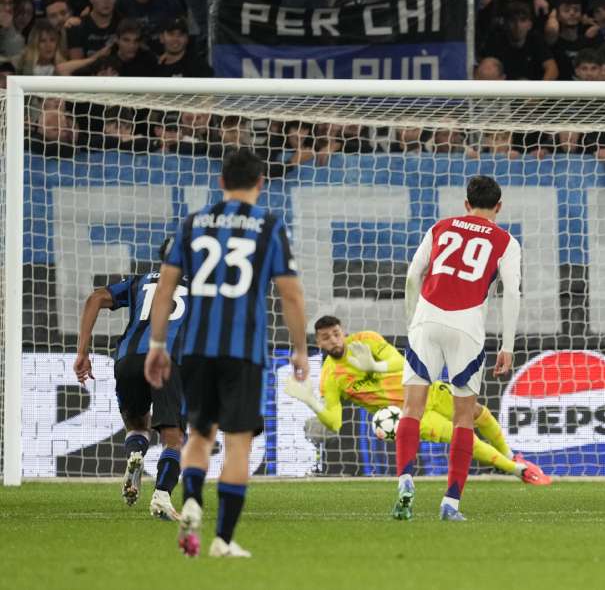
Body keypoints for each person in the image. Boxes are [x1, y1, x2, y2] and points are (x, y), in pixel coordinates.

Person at [145, 148, 309, 557]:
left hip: (197, 349)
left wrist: (158, 344)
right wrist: (301, 349)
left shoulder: (193, 223)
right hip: (244, 351)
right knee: (238, 444)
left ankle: (193, 498)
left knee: (199, 436)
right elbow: (290, 294)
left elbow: (164, 289)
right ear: (261, 183)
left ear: (220, 183)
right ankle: (223, 539)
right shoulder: (268, 225)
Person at [283, 316, 549, 485]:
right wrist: (310, 400)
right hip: (411, 415)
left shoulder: (366, 340)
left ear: (343, 331)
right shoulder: (331, 376)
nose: (333, 339)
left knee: (480, 413)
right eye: (326, 337)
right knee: (464, 437)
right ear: (319, 342)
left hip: (427, 389)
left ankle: (513, 455)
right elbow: (335, 422)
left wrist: (375, 366)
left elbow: (401, 362)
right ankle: (520, 472)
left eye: (336, 333)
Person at [395, 175, 522, 522]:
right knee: (464, 416)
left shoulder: (441, 227)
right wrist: (507, 346)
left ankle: (405, 480)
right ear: (499, 207)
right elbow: (512, 293)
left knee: (411, 408)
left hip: (427, 319)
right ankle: (450, 503)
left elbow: (412, 275)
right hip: (467, 327)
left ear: (466, 204)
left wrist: (413, 322)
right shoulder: (506, 241)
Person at [73, 236, 188, 521]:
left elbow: (95, 298)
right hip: (167, 361)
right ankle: (162, 495)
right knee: (174, 439)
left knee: (137, 425)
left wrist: (82, 352)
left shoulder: (140, 281)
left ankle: (136, 454)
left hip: (129, 360)